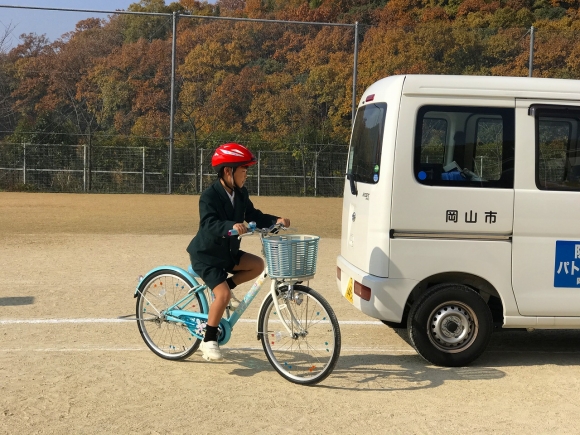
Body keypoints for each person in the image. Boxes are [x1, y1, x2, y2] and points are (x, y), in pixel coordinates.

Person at [186, 143, 290, 362]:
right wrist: (230, 226)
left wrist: (275, 220)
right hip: (207, 256)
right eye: (244, 170)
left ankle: (226, 289)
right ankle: (209, 340)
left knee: (258, 265)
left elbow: (254, 214)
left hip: (228, 253)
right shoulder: (209, 196)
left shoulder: (241, 194)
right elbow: (208, 223)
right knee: (222, 296)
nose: (246, 175)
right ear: (228, 171)